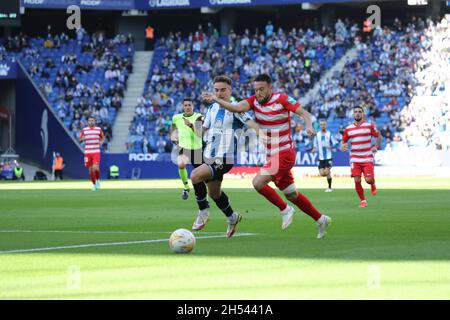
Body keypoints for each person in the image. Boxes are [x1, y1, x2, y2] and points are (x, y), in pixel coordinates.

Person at [203, 73, 331, 239]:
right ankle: (321, 219)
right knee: (292, 194)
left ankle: (285, 209)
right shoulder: (253, 101)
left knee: (258, 182)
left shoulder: (282, 99)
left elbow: (305, 113)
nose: (258, 93)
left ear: (270, 88)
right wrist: (217, 99)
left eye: (262, 89)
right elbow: (235, 108)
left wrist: (308, 126)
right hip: (271, 155)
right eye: (256, 90)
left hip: (285, 152)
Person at [191, 75, 259, 238]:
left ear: (230, 90)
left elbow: (251, 124)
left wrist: (260, 132)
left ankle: (203, 212)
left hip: (225, 158)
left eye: (223, 90)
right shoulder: (211, 109)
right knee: (214, 194)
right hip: (209, 156)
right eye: (216, 90)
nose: (219, 93)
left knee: (195, 176)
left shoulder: (235, 108)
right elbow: (203, 131)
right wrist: (196, 126)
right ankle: (232, 217)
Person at [341, 106, 382, 208]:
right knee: (357, 180)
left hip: (367, 156)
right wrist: (343, 146)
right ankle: (363, 201)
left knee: (368, 179)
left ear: (363, 114)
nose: (358, 113)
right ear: (353, 114)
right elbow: (343, 141)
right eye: (355, 112)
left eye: (360, 112)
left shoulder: (369, 126)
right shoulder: (348, 129)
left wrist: (376, 146)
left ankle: (372, 183)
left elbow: (379, 136)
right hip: (355, 158)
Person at [170, 98, 204, 200]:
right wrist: (173, 136)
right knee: (181, 164)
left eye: (189, 105)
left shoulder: (198, 117)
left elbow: (199, 134)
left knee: (200, 176)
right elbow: (173, 127)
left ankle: (204, 197)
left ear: (193, 106)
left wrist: (190, 125)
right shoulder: (176, 117)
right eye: (185, 105)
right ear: (182, 106)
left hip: (197, 149)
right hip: (184, 148)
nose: (187, 107)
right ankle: (186, 187)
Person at [80, 116, 105, 191]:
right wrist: (82, 139)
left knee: (95, 168)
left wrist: (101, 142)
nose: (91, 122)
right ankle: (94, 184)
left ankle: (97, 180)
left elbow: (103, 137)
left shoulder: (99, 129)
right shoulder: (84, 130)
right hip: (87, 152)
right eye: (89, 120)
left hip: (96, 151)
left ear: (95, 121)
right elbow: (80, 139)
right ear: (87, 122)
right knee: (90, 170)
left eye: (92, 120)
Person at [312, 120, 337, 192]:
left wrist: (331, 146)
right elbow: (315, 145)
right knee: (322, 174)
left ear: (326, 125)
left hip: (328, 157)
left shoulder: (329, 134)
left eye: (324, 124)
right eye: (321, 125)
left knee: (327, 172)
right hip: (321, 158)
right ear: (319, 126)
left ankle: (329, 187)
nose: (323, 126)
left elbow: (335, 143)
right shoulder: (317, 135)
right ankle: (328, 172)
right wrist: (314, 149)